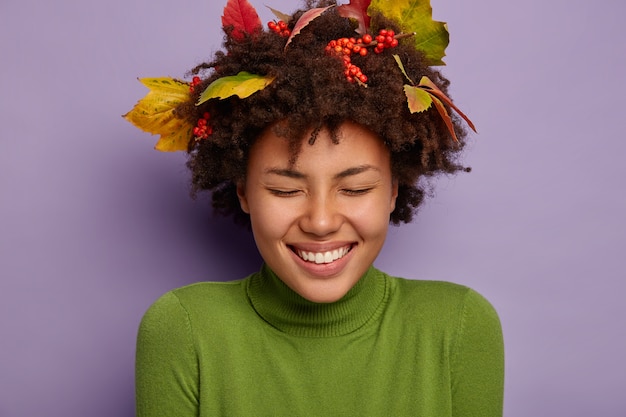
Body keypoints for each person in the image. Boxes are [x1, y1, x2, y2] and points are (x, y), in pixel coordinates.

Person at [124, 0, 504, 415]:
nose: (320, 222)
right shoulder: (184, 329)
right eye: (286, 191)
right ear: (244, 192)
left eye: (356, 188)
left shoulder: (459, 325)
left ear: (394, 190)